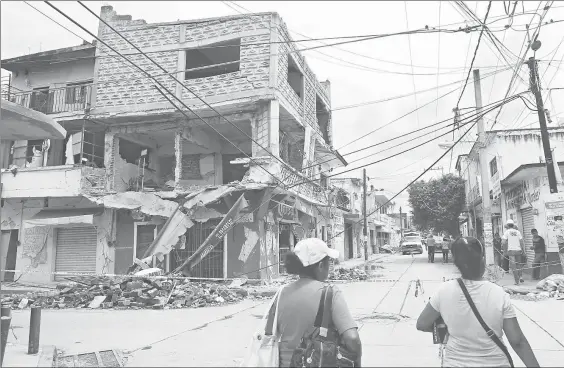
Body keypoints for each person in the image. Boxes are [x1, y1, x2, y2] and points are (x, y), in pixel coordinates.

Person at [416, 237, 539, 367]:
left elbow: (422, 324)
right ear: (483, 260)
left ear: (455, 262)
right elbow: (517, 341)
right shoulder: (498, 293)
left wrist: (449, 330)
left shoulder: (443, 291)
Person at [277, 238, 362, 367]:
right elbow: (352, 338)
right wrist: (357, 362)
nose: (330, 266)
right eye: (329, 262)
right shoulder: (330, 293)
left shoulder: (281, 293)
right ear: (321, 266)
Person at [502, 219, 526, 285]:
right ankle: (520, 276)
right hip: (518, 250)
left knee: (513, 266)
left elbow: (503, 242)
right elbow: (521, 242)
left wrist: (505, 250)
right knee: (519, 265)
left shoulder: (507, 232)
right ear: (513, 225)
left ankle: (516, 281)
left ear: (507, 225)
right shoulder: (517, 232)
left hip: (511, 251)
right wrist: (523, 251)